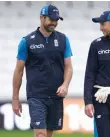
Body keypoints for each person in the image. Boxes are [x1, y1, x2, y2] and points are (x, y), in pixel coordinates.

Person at [12, 4, 73, 137]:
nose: (54, 23)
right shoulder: (26, 41)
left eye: (56, 20)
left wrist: (65, 85)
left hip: (56, 95)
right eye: (51, 19)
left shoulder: (63, 39)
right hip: (36, 96)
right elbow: (18, 71)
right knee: (40, 134)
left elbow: (68, 66)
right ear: (41, 18)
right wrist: (15, 99)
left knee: (48, 134)